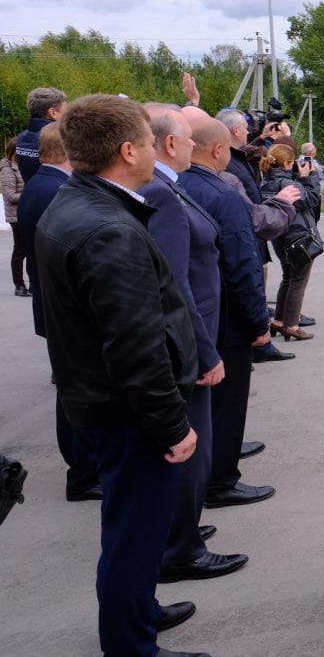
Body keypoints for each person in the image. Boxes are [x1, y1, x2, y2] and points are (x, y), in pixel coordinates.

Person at [33, 94, 208, 657]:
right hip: (128, 414)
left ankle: (140, 610)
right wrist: (170, 425)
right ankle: (133, 646)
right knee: (134, 536)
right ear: (128, 149)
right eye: (151, 141)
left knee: (130, 525)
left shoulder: (78, 203)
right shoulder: (108, 228)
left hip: (102, 403)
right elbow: (136, 345)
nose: (157, 149)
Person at [138, 104, 249, 584]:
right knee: (192, 449)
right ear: (169, 144)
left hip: (194, 335)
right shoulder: (162, 196)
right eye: (186, 138)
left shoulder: (170, 188)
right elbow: (175, 284)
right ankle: (181, 549)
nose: (192, 146)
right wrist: (205, 352)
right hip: (190, 343)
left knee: (193, 450)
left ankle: (181, 531)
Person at [178, 110, 275, 510]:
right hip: (229, 318)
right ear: (219, 149)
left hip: (197, 316)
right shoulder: (222, 195)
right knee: (229, 403)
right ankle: (222, 481)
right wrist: (258, 322)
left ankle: (209, 473)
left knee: (205, 407)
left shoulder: (178, 186)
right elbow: (242, 264)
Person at [16, 122, 100, 499]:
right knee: (77, 393)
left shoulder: (40, 183)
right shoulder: (57, 190)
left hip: (53, 301)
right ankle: (83, 474)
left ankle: (83, 469)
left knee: (72, 389)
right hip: (65, 305)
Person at [216, 107, 301, 360]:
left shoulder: (234, 156)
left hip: (254, 229)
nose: (248, 131)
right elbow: (274, 159)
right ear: (235, 130)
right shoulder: (229, 167)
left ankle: (258, 337)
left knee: (261, 280)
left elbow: (255, 152)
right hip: (251, 228)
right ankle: (257, 341)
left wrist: (264, 136)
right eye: (245, 127)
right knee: (253, 284)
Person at [259, 144, 321, 341]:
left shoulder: (267, 181)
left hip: (280, 235)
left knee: (287, 277)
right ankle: (292, 325)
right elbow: (311, 199)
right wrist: (307, 177)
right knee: (298, 280)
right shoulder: (288, 184)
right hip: (297, 235)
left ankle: (278, 321)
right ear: (287, 162)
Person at [15, 86, 67, 182]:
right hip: (56, 194)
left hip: (31, 191)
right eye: (66, 111)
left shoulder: (22, 137)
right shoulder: (56, 139)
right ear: (53, 112)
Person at [2, 138, 29, 295]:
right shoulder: (7, 169)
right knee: (20, 250)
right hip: (16, 216)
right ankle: (19, 285)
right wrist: (31, 192)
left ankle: (32, 284)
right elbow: (10, 195)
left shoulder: (21, 166)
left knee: (29, 250)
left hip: (25, 212)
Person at [300, 142, 324, 223]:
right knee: (314, 216)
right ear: (310, 152)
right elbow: (320, 174)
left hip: (309, 192)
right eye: (314, 149)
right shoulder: (309, 162)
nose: (316, 151)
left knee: (313, 217)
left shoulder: (300, 160)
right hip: (313, 192)